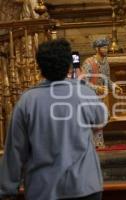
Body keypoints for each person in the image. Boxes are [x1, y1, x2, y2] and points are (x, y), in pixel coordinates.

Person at [0, 39, 107, 200]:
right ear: (69, 66)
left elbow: (15, 149)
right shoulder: (84, 93)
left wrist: (7, 189)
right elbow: (101, 121)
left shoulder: (27, 101)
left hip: (43, 189)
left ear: (40, 67)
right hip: (85, 186)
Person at [81, 38, 122, 148]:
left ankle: (98, 142)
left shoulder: (105, 63)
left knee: (100, 119)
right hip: (90, 97)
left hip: (101, 97)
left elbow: (106, 80)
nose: (106, 49)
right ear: (97, 49)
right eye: (103, 47)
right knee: (91, 121)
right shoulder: (89, 62)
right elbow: (83, 81)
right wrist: (96, 88)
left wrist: (114, 86)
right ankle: (90, 144)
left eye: (106, 47)